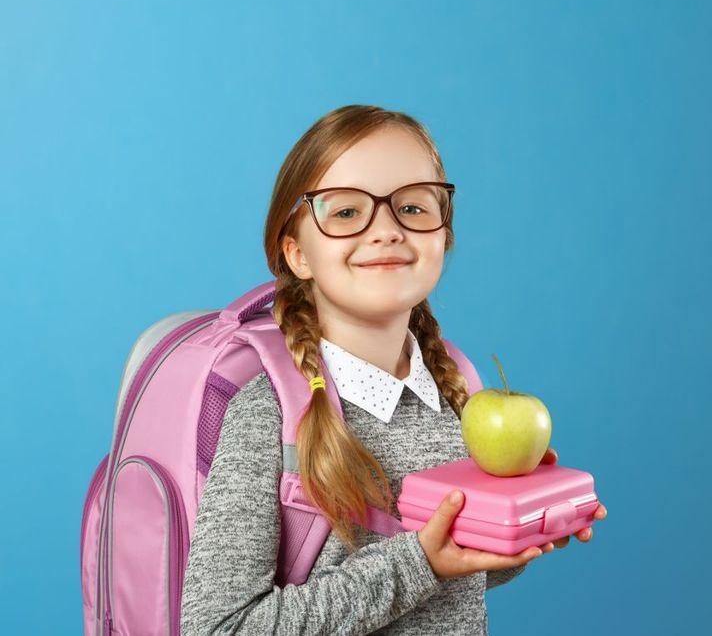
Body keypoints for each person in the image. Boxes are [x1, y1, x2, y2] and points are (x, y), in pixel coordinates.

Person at [180, 104, 608, 635]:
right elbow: (217, 628)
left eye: (411, 207)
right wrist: (419, 562)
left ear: (443, 234)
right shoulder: (269, 413)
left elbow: (445, 580)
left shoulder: (459, 391)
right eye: (344, 212)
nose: (385, 230)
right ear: (297, 254)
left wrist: (511, 528)